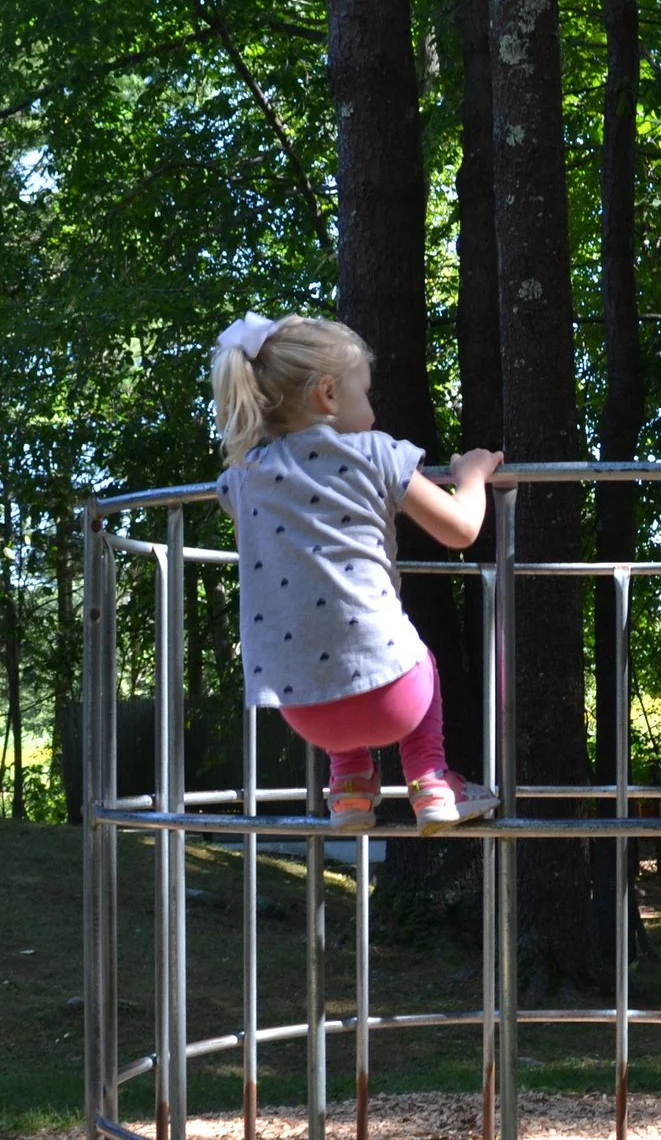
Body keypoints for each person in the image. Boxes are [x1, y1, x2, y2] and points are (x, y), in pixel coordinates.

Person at [211, 312, 502, 833]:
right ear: (328, 394)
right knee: (420, 658)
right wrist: (471, 475)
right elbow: (461, 529)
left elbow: (234, 496)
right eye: (364, 394)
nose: (371, 411)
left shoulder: (246, 476)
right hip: (396, 699)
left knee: (331, 653)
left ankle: (348, 789)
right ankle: (431, 781)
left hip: (302, 708)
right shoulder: (375, 452)